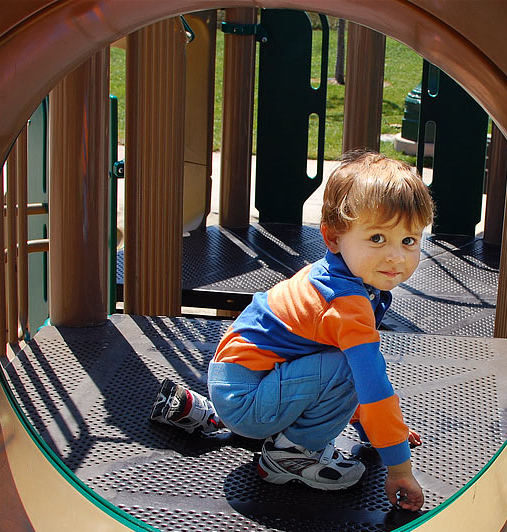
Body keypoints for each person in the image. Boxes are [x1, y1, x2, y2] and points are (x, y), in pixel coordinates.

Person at [149, 150, 434, 511]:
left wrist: (379, 437)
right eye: (377, 238)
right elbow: (369, 385)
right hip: (246, 395)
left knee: (343, 363)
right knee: (351, 366)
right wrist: (398, 466)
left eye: (409, 241)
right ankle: (290, 455)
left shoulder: (346, 278)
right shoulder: (343, 301)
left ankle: (229, 418)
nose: (396, 256)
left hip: (244, 380)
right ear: (332, 238)